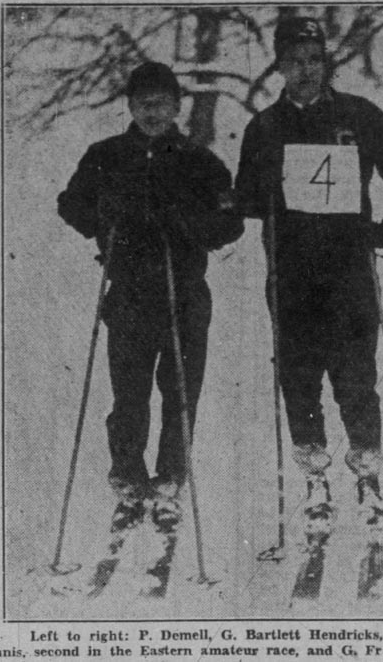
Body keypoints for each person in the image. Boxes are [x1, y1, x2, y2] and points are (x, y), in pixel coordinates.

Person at [235, 17, 383, 530]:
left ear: (326, 62)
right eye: (294, 61)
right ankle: (315, 478)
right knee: (299, 378)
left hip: (347, 271)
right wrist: (261, 198)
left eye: (314, 59)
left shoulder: (358, 115)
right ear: (279, 64)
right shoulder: (264, 127)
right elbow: (246, 197)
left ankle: (368, 476)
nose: (305, 71)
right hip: (292, 271)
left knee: (355, 377)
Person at [57, 61, 244, 529]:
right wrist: (102, 217)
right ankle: (128, 476)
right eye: (143, 103)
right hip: (130, 295)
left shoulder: (200, 162)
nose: (152, 112)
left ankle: (170, 479)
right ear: (130, 106)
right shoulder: (106, 155)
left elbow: (231, 221)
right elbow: (70, 203)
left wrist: (187, 225)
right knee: (129, 395)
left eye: (161, 103)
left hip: (183, 293)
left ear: (177, 107)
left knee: (180, 392)